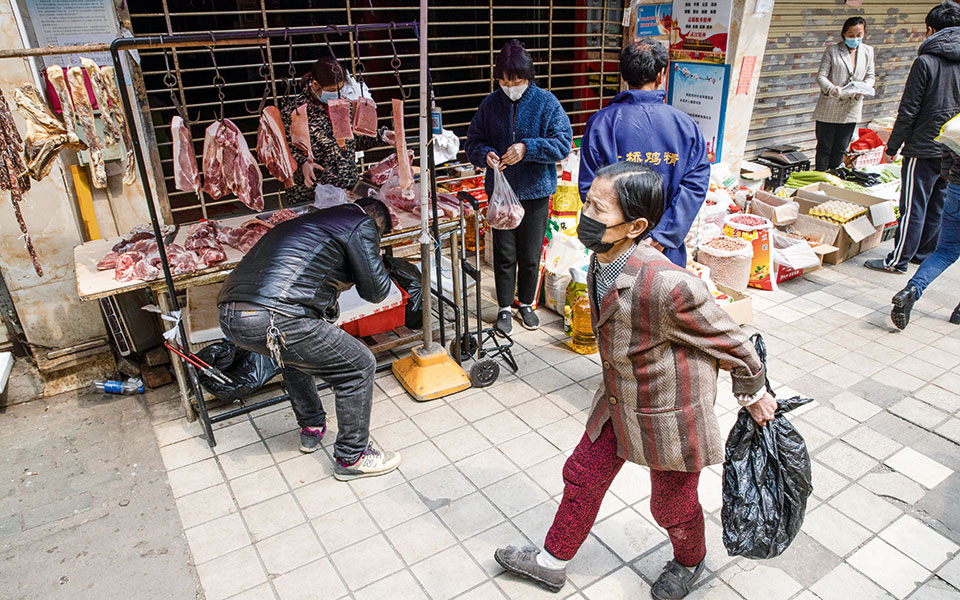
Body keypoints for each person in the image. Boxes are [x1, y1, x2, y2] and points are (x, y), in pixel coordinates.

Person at [493, 162, 776, 600]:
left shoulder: (668, 285)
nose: (585, 215)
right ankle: (552, 563)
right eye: (587, 201)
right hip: (619, 397)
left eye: (598, 209)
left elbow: (734, 340)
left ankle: (689, 560)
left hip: (669, 412)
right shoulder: (600, 257)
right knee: (582, 474)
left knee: (670, 505)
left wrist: (754, 392)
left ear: (636, 225)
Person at [217, 198, 402, 481]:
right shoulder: (361, 223)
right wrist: (376, 257)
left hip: (231, 315)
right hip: (275, 316)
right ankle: (353, 456)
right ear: (375, 223)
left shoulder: (304, 222)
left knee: (295, 357)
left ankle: (312, 427)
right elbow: (376, 292)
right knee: (359, 365)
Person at [465, 39, 573, 334]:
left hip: (536, 192)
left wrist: (528, 148)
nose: (510, 85)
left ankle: (525, 303)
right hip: (500, 195)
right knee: (504, 253)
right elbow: (472, 142)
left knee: (530, 253)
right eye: (504, 80)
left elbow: (564, 143)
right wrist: (484, 154)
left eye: (516, 79)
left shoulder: (546, 103)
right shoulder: (490, 105)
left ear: (529, 76)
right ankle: (503, 307)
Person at [578, 38, 710, 268]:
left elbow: (590, 190)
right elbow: (695, 186)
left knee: (613, 302)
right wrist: (662, 236)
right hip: (664, 253)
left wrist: (619, 232)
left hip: (614, 246)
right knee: (662, 300)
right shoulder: (686, 126)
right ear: (661, 75)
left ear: (624, 75)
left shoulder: (601, 123)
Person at [865, 1, 960, 274]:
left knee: (913, 206)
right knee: (938, 201)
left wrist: (893, 145)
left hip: (923, 146)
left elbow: (908, 110)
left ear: (931, 29)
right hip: (952, 148)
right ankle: (923, 253)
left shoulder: (925, 62)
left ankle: (897, 260)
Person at [280, 57, 388, 203]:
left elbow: (352, 143)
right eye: (331, 90)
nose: (336, 94)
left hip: (348, 190)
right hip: (313, 194)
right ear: (315, 84)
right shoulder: (294, 112)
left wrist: (382, 136)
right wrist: (303, 165)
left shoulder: (343, 104)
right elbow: (285, 153)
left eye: (339, 89)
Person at [890, 145, 960, 328]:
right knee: (947, 251)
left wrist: (948, 174)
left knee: (945, 252)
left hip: (956, 188)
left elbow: (948, 145)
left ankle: (911, 290)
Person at [813, 17, 876, 171]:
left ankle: (834, 178)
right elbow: (821, 76)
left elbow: (870, 76)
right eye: (851, 35)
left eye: (858, 35)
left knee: (841, 147)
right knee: (824, 147)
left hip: (851, 107)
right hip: (830, 106)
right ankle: (820, 177)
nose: (855, 39)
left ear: (864, 33)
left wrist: (864, 87)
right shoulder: (833, 50)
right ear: (844, 34)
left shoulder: (868, 51)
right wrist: (832, 89)